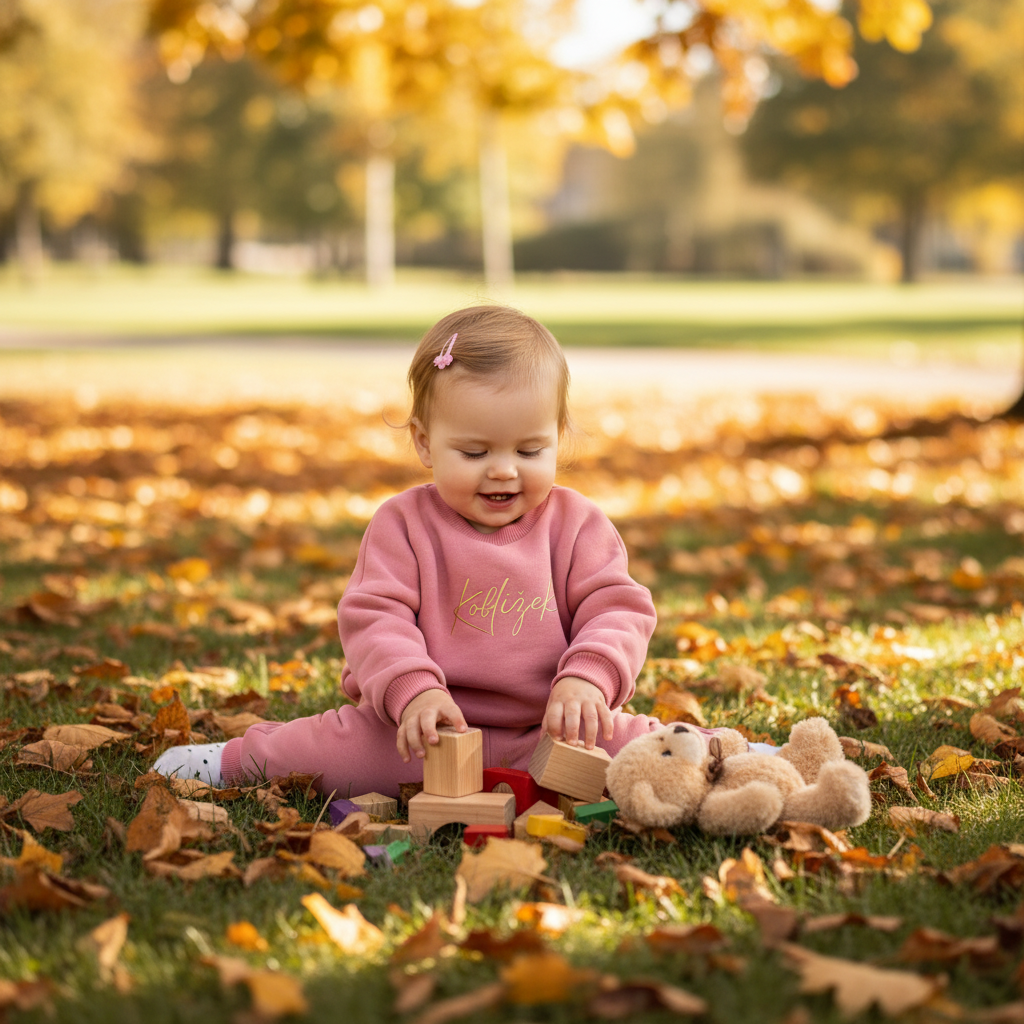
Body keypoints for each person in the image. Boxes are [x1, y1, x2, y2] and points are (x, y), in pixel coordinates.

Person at [154, 305, 750, 797]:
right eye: (473, 453)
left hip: (552, 725)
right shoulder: (403, 525)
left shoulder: (576, 524)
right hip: (423, 731)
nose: (504, 472)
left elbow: (618, 609)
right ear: (424, 442)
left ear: (558, 438)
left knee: (642, 753)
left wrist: (588, 681)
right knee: (331, 753)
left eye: (529, 450)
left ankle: (731, 753)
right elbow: (374, 618)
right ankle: (230, 762)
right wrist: (415, 691)